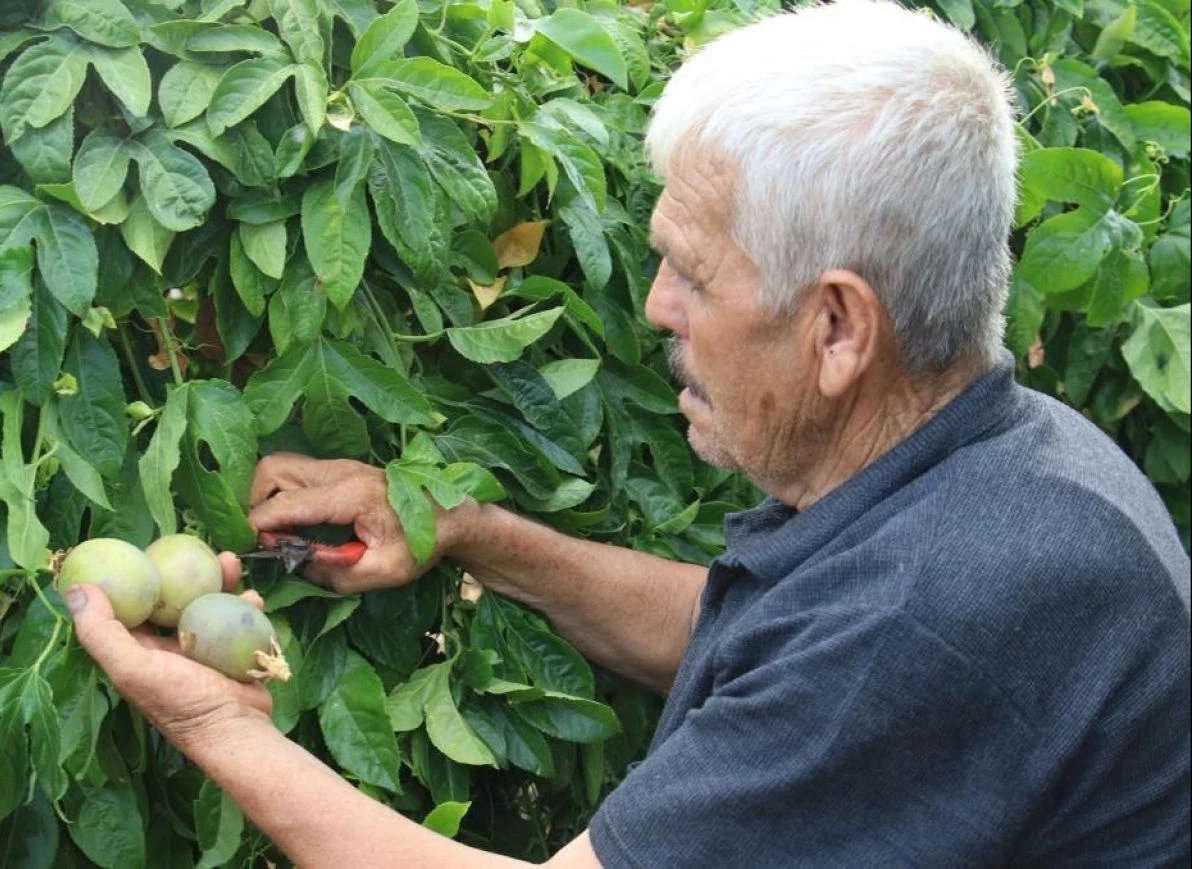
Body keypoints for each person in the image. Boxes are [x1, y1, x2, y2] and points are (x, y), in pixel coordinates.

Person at [65, 1, 1191, 865]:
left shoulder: (932, 618)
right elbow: (766, 641)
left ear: (838, 326)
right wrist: (466, 531)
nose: (654, 303)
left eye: (693, 272)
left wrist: (215, 720)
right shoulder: (1004, 457)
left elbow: (842, 663)